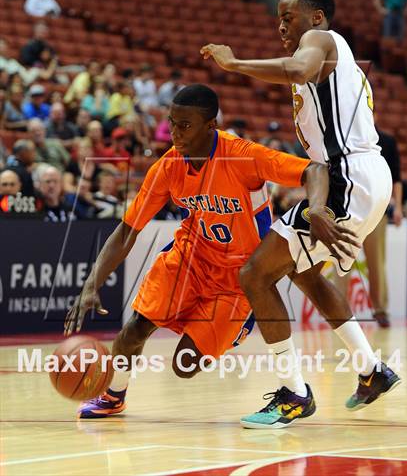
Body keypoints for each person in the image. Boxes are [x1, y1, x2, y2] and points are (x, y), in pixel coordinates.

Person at [64, 84, 348, 419]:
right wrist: (90, 285)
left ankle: (233, 328)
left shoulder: (242, 155)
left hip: (237, 277)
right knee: (134, 330)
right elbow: (127, 231)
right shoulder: (168, 167)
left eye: (184, 125)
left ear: (210, 126)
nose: (174, 133)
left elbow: (314, 170)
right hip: (190, 258)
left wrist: (316, 210)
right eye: (171, 123)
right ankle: (114, 396)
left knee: (184, 366)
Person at [201, 0, 401, 427]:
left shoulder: (321, 40)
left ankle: (294, 393)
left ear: (315, 17)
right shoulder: (336, 56)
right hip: (358, 175)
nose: (280, 26)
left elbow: (297, 69)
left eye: (287, 17)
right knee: (304, 271)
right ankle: (371, 370)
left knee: (255, 274)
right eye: (277, 19)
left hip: (348, 174)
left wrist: (234, 63)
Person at [332, 127, 403, 328]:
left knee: (376, 262)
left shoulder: (387, 141)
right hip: (348, 208)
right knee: (341, 260)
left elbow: (396, 177)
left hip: (376, 209)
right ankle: (338, 311)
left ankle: (380, 309)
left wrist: (397, 206)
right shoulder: (345, 137)